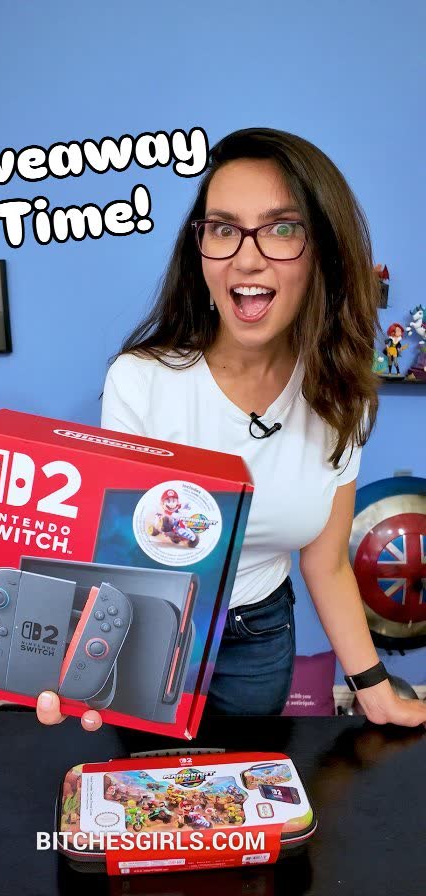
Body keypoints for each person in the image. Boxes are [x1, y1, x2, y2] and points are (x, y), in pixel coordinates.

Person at [36, 127, 426, 731]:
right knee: (147, 781)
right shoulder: (141, 381)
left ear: (321, 252)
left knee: (242, 783)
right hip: (154, 628)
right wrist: (77, 657)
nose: (246, 258)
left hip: (261, 634)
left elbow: (326, 564)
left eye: (281, 228)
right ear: (200, 251)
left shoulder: (342, 400)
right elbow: (120, 554)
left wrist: (374, 690)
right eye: (223, 229)